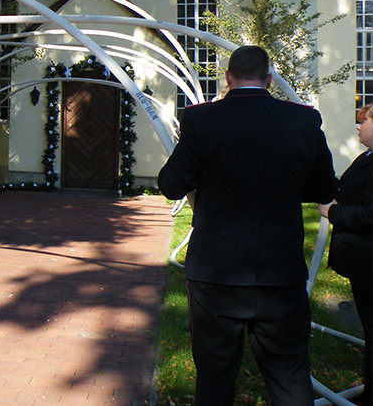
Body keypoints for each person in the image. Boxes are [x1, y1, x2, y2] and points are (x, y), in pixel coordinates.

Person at [157, 45, 337, 405]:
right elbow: (323, 188)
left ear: (227, 78)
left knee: (215, 375)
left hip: (215, 273)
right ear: (269, 79)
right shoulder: (302, 120)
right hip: (280, 270)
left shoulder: (203, 120)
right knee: (289, 377)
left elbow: (170, 184)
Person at [318, 103, 372, 406]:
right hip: (362, 261)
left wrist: (334, 211)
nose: (358, 127)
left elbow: (370, 214)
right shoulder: (366, 157)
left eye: (364, 122)